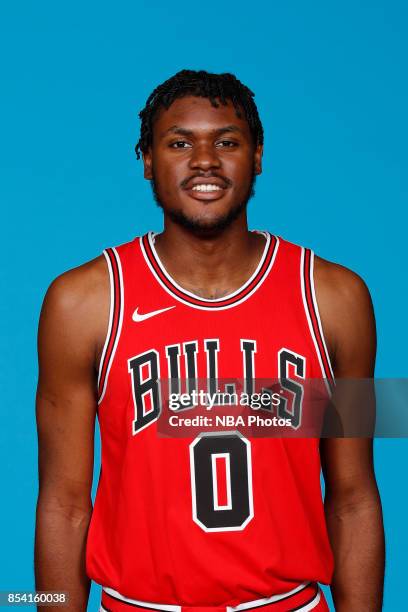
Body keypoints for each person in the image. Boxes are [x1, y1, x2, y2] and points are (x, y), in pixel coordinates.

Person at [35, 69, 385, 612]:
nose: (204, 160)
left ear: (258, 156)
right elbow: (63, 504)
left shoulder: (336, 299)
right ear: (148, 161)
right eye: (179, 143)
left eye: (226, 141)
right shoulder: (81, 304)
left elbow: (355, 497)